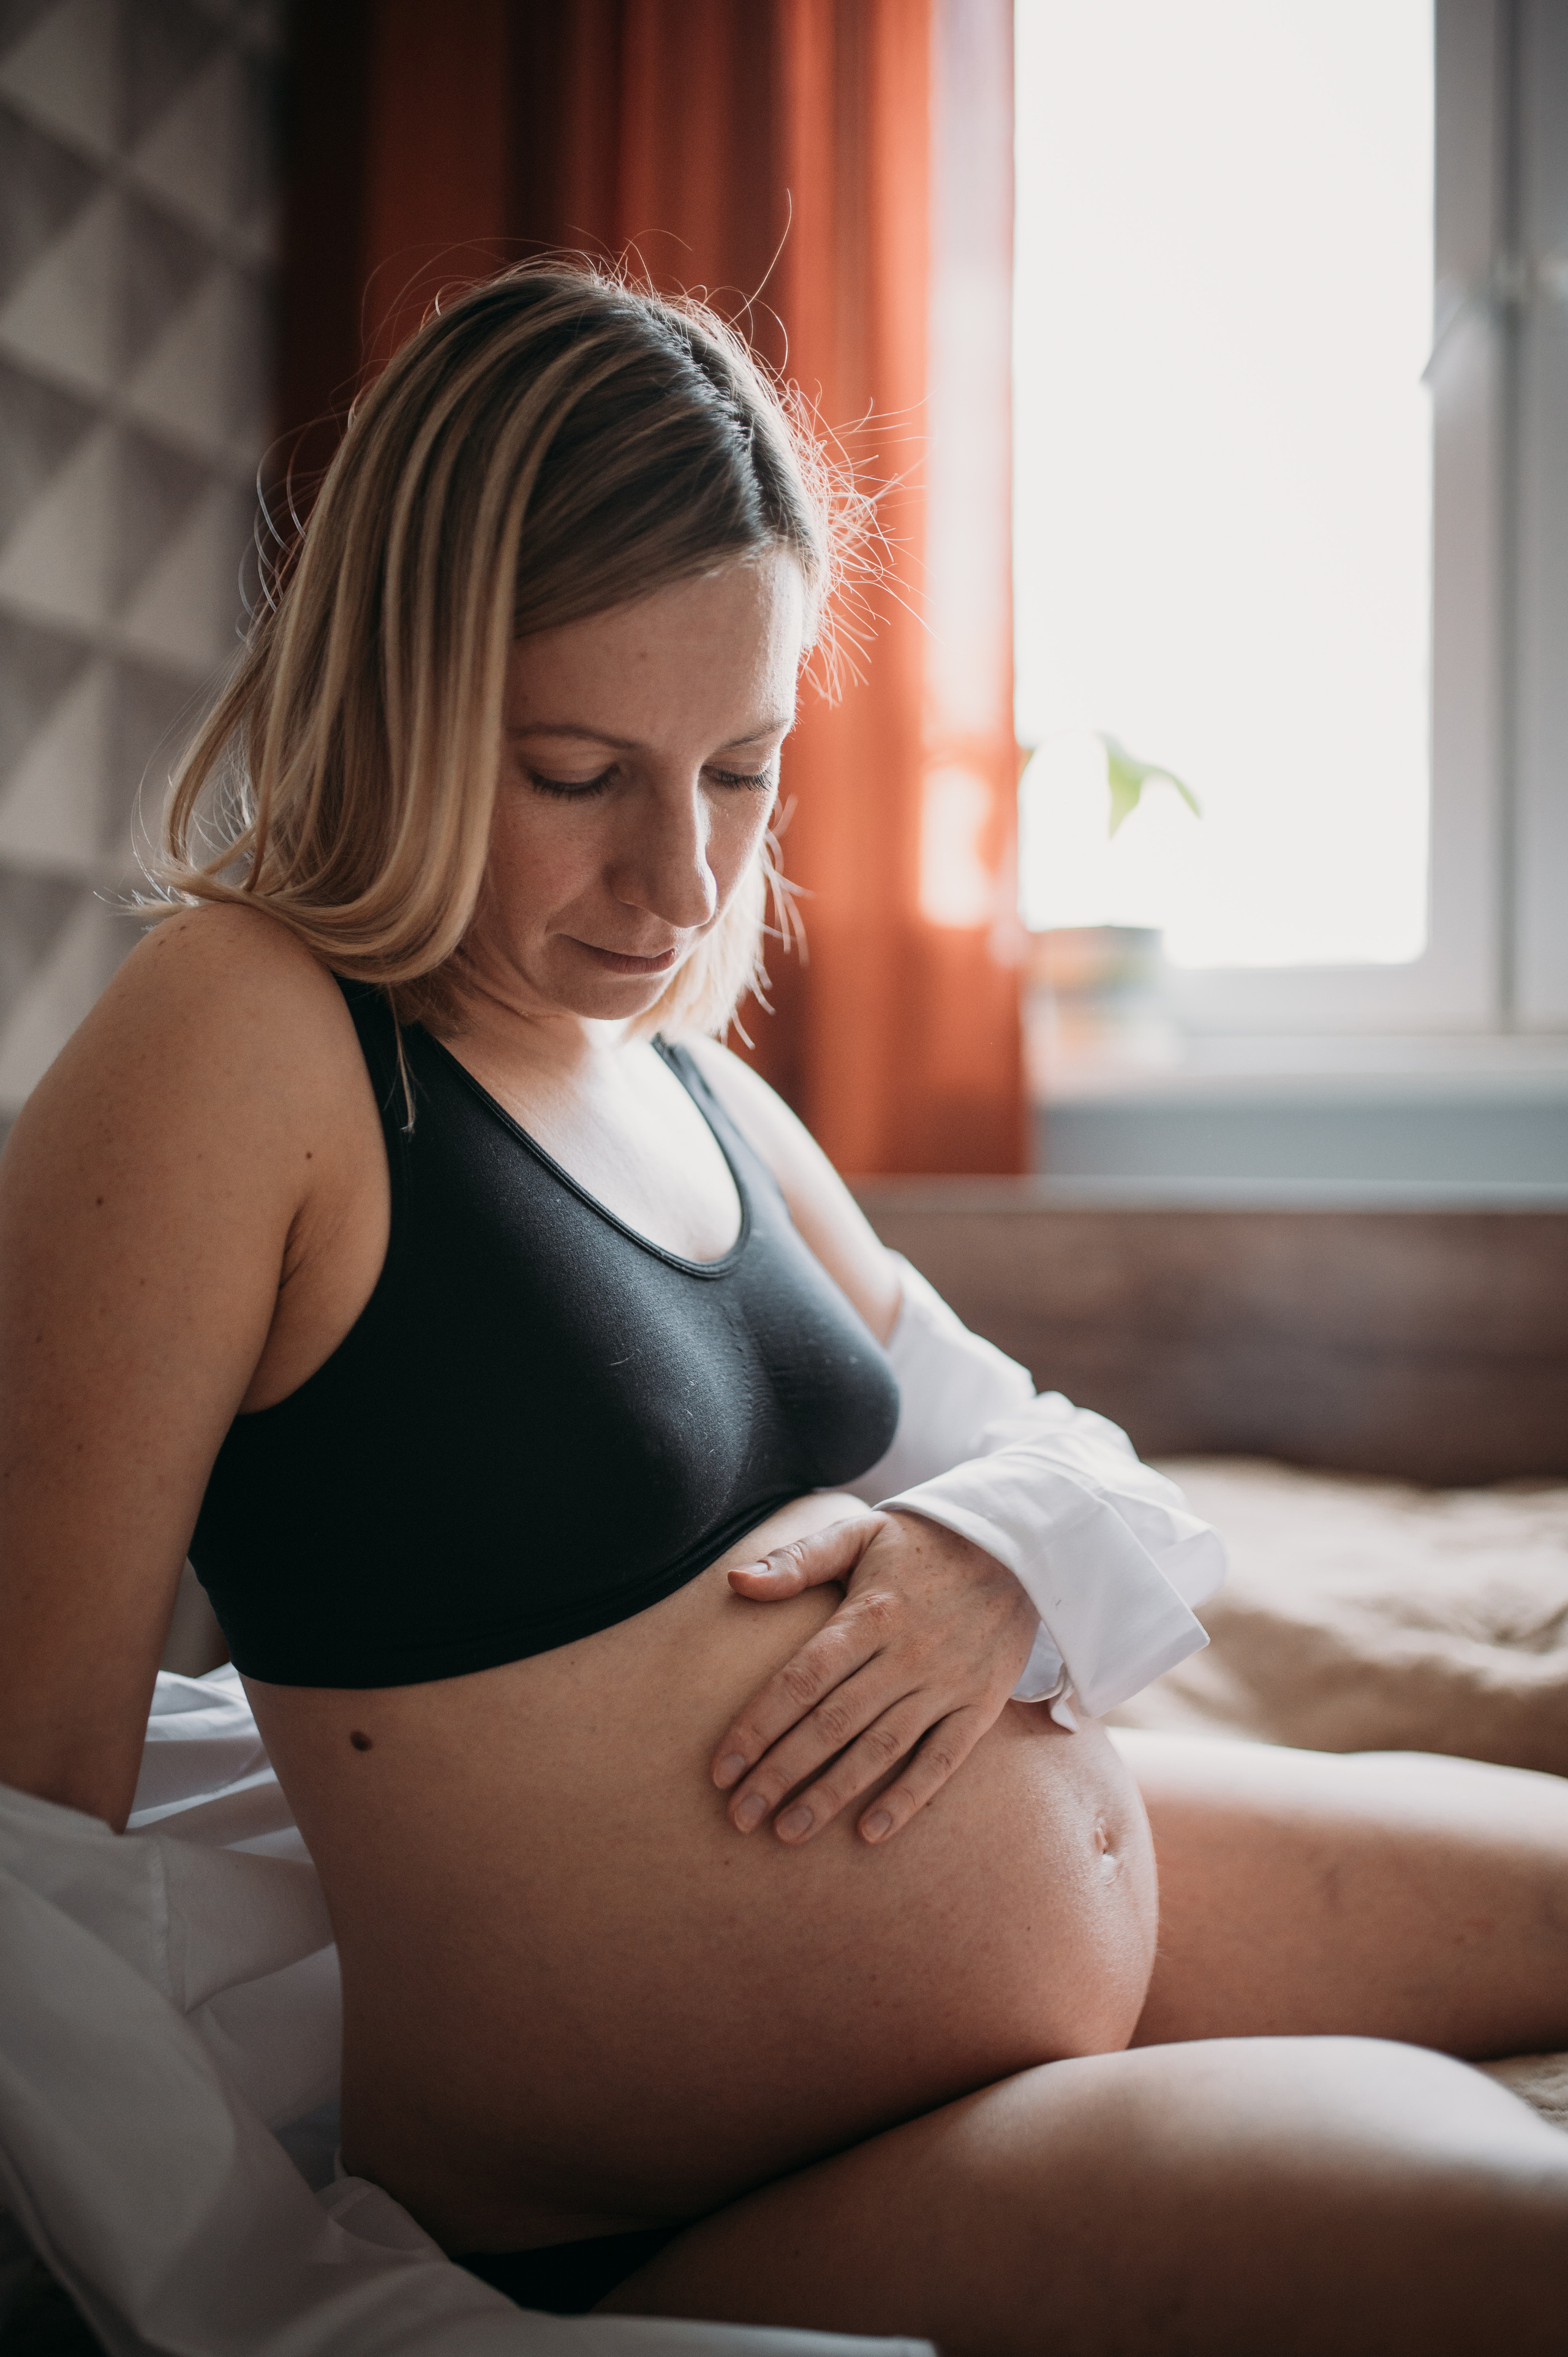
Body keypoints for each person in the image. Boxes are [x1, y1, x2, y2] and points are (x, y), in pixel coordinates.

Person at [1, 262, 1566, 2357]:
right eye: (578, 772)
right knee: (1502, 2221)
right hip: (683, 2202)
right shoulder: (247, 1036)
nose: (676, 884)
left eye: (738, 770)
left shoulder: (699, 1088)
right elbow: (19, 1802)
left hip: (1079, 1941)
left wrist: (992, 1562)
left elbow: (1053, 1448)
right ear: (394, 690)